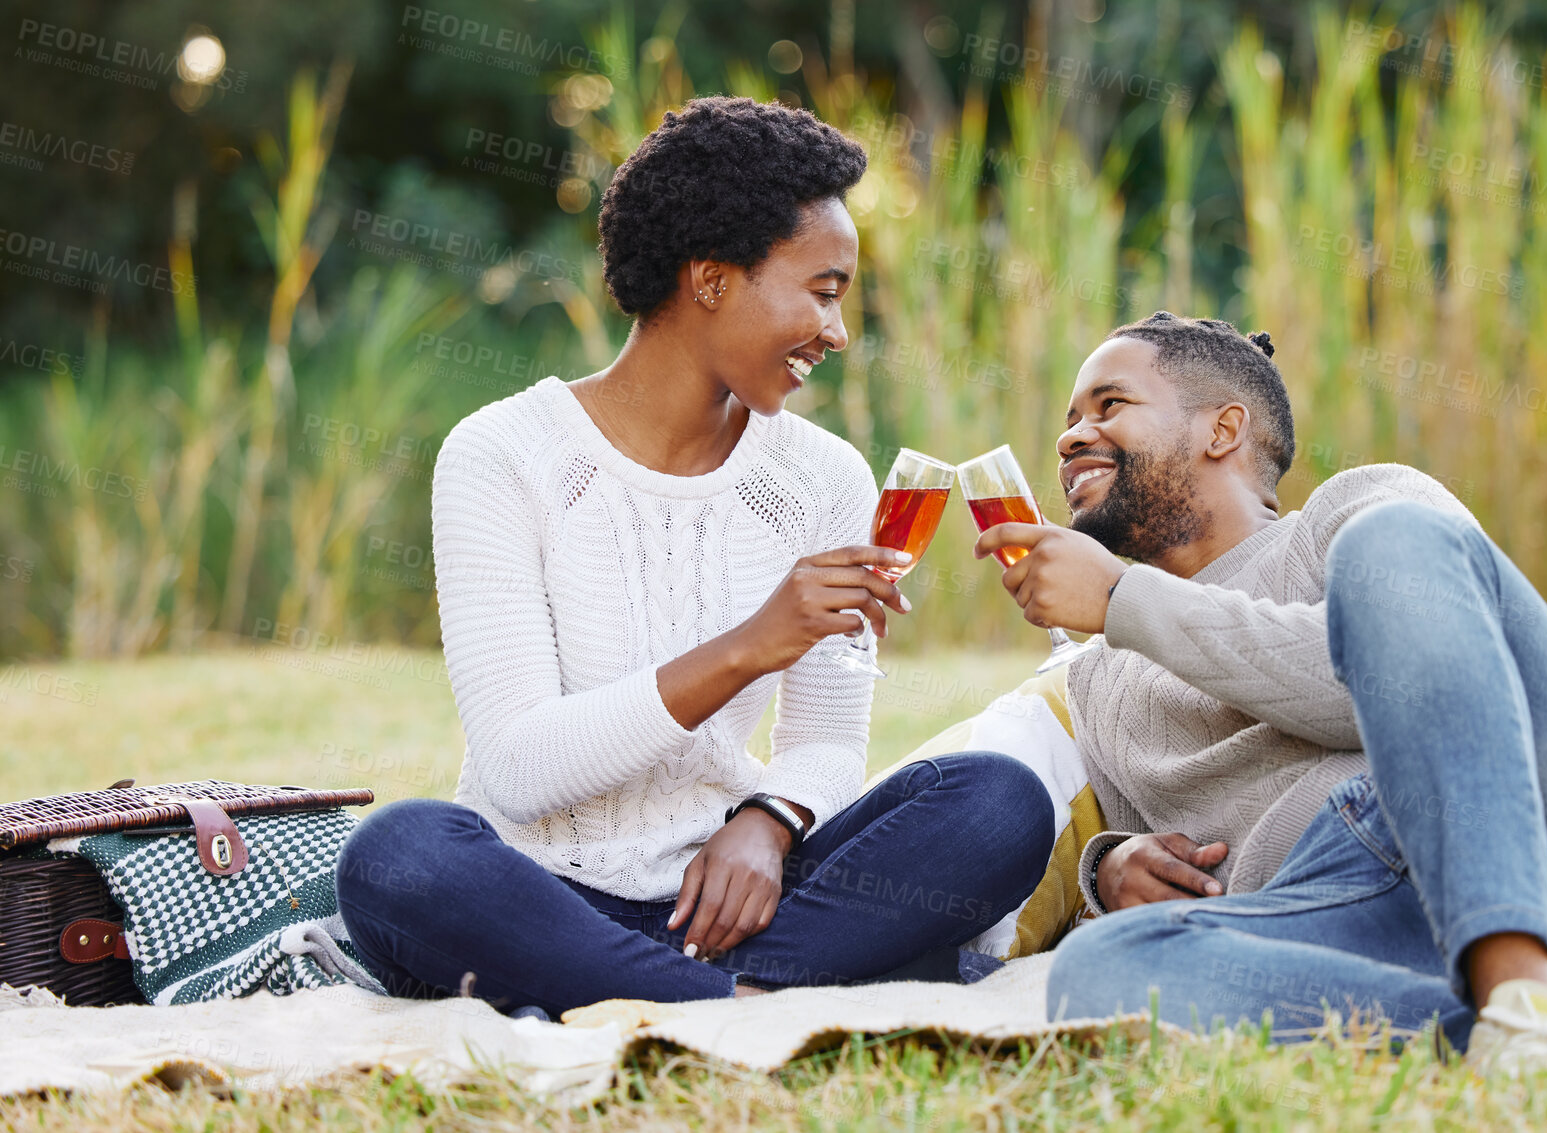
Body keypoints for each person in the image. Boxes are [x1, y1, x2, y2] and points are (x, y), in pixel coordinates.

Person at [336, 97, 1053, 1020]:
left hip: (741, 899)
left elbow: (827, 740)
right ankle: (746, 1003)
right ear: (711, 279)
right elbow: (517, 766)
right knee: (399, 856)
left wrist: (769, 819)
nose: (837, 333)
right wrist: (752, 644)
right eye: (824, 291)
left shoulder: (821, 476)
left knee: (996, 800)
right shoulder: (503, 454)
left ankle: (682, 994)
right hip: (542, 894)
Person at [974, 311, 1547, 1104]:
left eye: (1109, 404)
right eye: (1068, 419)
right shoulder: (1100, 678)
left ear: (1223, 428)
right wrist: (1115, 866)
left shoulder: (1357, 512)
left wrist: (1126, 597)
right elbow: (1183, 851)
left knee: (1395, 544)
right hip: (1361, 916)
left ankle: (1521, 989)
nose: (1071, 436)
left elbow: (1412, 696)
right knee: (1105, 971)